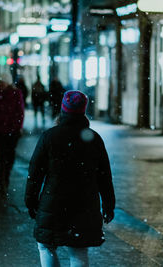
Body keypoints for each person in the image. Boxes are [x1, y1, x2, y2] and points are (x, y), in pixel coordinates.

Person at [25, 90, 115, 267]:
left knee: (46, 246)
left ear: (63, 110)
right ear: (83, 111)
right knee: (78, 250)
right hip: (84, 204)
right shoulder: (94, 139)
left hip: (53, 202)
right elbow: (104, 176)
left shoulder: (49, 137)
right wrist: (108, 205)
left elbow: (35, 173)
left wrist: (31, 200)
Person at [0, 73, 24, 196]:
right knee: (1, 155)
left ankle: (6, 175)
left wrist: (18, 127)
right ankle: (2, 180)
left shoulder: (16, 93)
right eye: (0, 81)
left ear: (8, 82)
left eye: (3, 81)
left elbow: (20, 111)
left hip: (12, 130)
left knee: (10, 155)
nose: (1, 83)